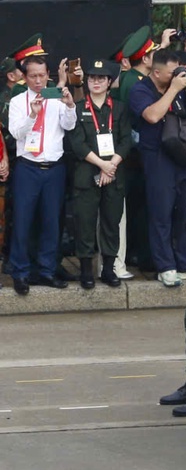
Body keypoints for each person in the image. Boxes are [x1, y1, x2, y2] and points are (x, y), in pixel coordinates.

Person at [128, 44, 186, 287]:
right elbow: (152, 116)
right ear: (157, 72)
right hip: (158, 157)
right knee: (161, 213)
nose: (177, 76)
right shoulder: (140, 89)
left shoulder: (181, 87)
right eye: (172, 73)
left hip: (184, 154)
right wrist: (173, 89)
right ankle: (165, 265)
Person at [6, 46, 74, 292]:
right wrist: (32, 116)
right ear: (25, 77)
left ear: (49, 75)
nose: (37, 80)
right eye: (32, 76)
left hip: (54, 167)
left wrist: (69, 106)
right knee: (23, 221)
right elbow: (16, 134)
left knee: (51, 221)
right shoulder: (17, 101)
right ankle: (21, 272)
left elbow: (69, 125)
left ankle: (46, 270)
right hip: (28, 168)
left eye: (41, 75)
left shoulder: (56, 96)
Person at [65, 56, 130, 291]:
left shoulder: (120, 108)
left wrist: (111, 165)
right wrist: (102, 165)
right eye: (92, 78)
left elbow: (125, 141)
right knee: (85, 223)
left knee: (111, 223)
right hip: (87, 174)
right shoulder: (79, 108)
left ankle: (108, 269)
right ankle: (86, 271)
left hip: (114, 175)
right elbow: (78, 144)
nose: (96, 82)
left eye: (101, 78)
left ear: (109, 81)